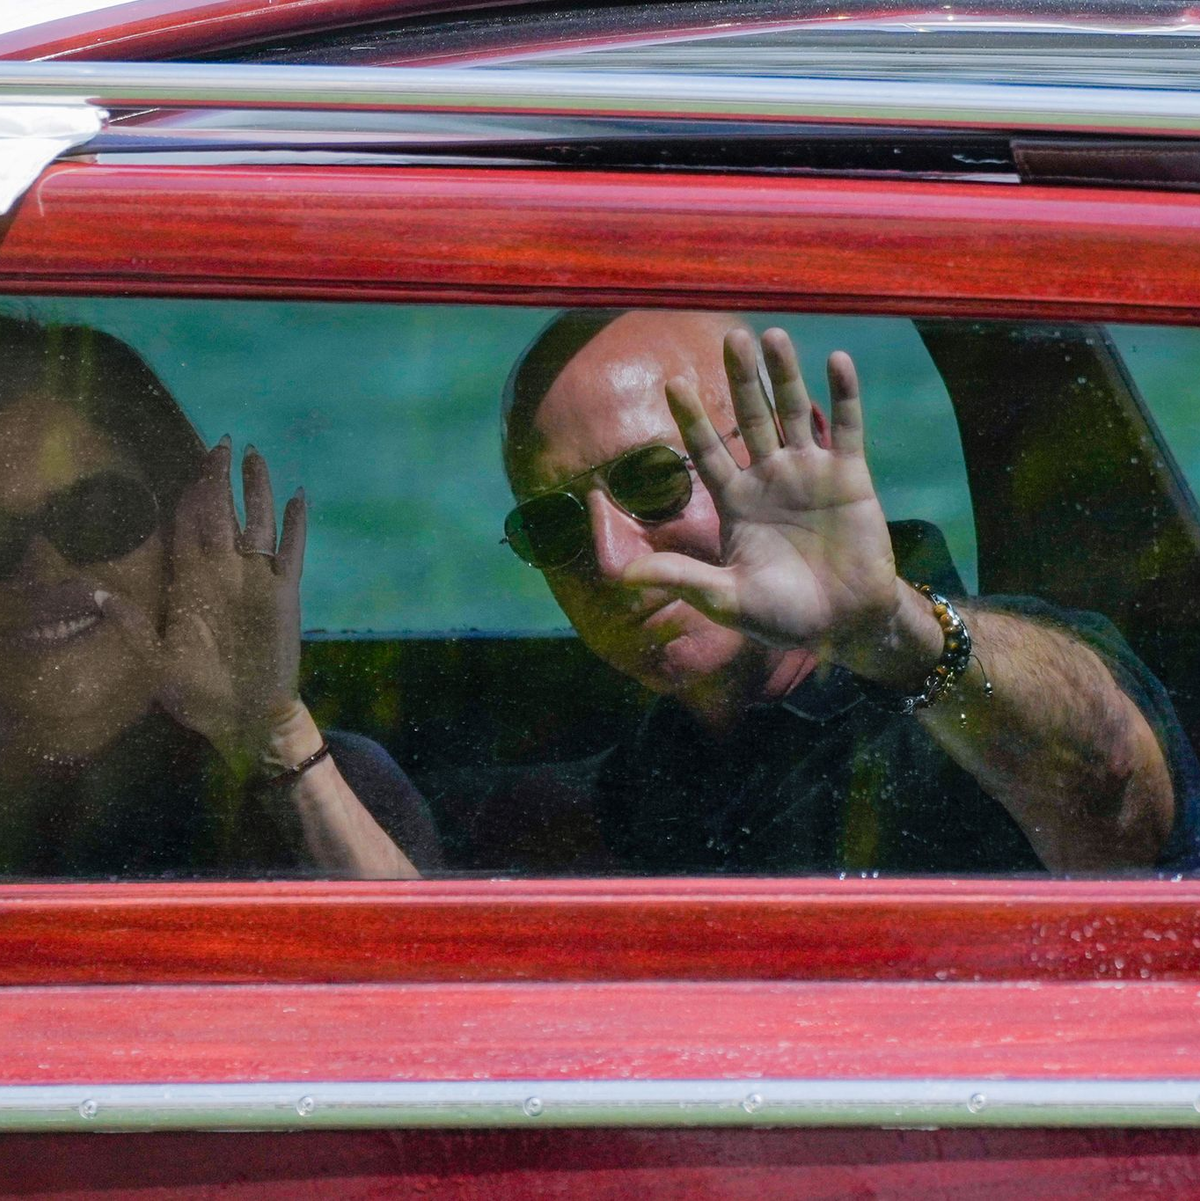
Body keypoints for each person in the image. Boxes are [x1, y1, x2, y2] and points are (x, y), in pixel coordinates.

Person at [472, 308, 1200, 874]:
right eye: (551, 524)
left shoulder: (969, 685)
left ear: (797, 449)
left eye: (654, 480)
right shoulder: (633, 787)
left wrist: (887, 631)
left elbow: (1118, 793)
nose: (609, 557)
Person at [0, 316, 437, 879]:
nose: (43, 567)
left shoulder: (332, 779)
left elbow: (416, 960)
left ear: (185, 528)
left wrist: (272, 738)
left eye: (96, 516)